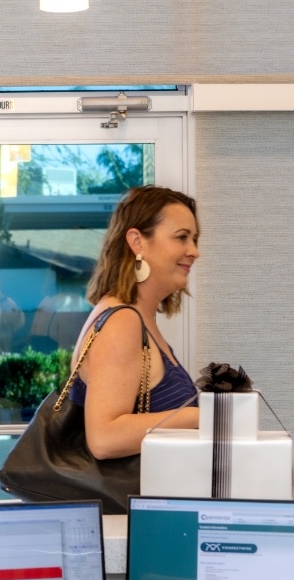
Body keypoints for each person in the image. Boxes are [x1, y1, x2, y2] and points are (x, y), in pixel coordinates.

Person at [69, 185, 201, 459]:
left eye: (194, 239)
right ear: (137, 241)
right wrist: (198, 417)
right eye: (182, 237)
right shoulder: (122, 322)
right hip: (128, 503)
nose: (194, 251)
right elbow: (105, 439)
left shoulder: (137, 317)